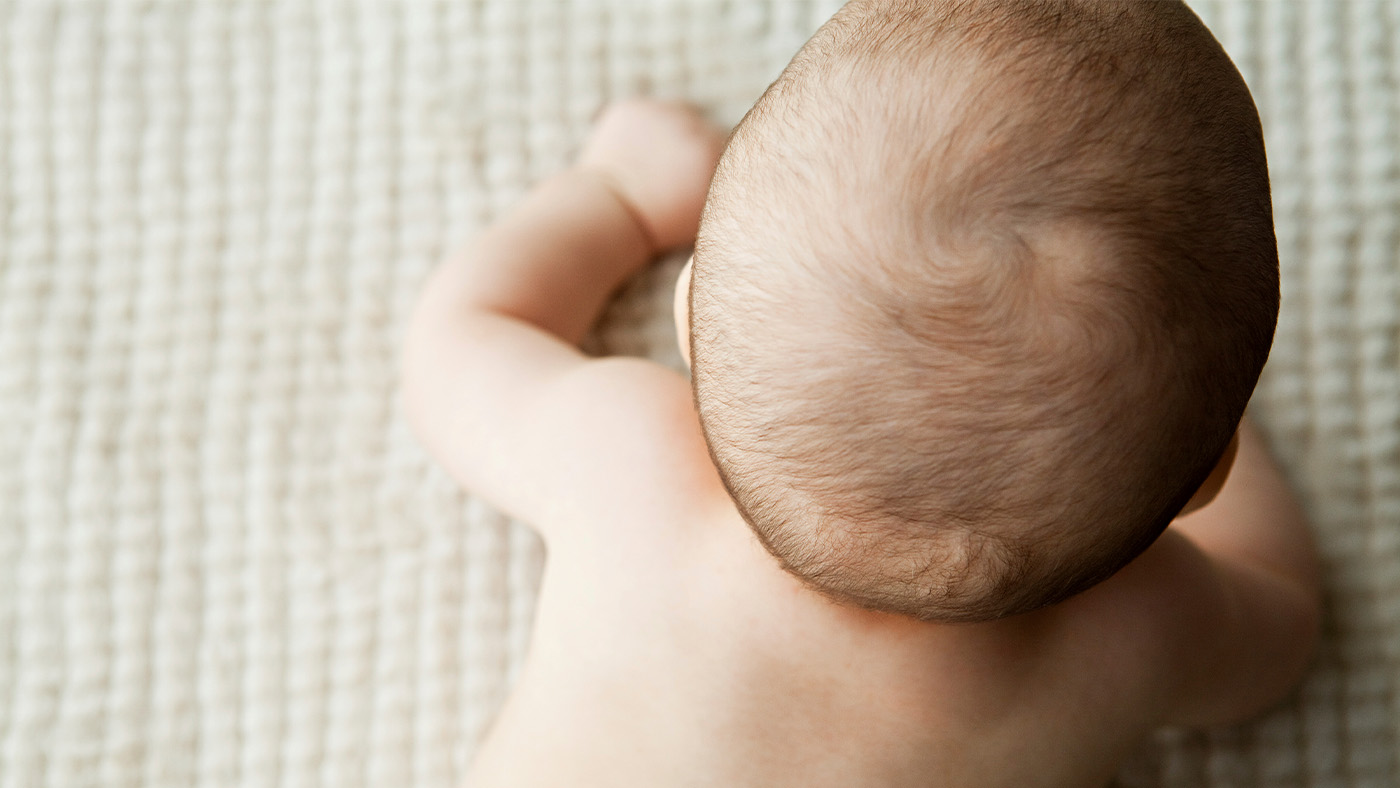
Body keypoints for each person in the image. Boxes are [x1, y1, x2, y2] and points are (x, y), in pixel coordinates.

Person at [400, 1, 1322, 785]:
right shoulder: (1143, 630)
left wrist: (618, 198)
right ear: (1205, 480)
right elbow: (1284, 631)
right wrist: (1206, 438)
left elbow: (464, 338)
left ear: (691, 313)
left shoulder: (630, 466)